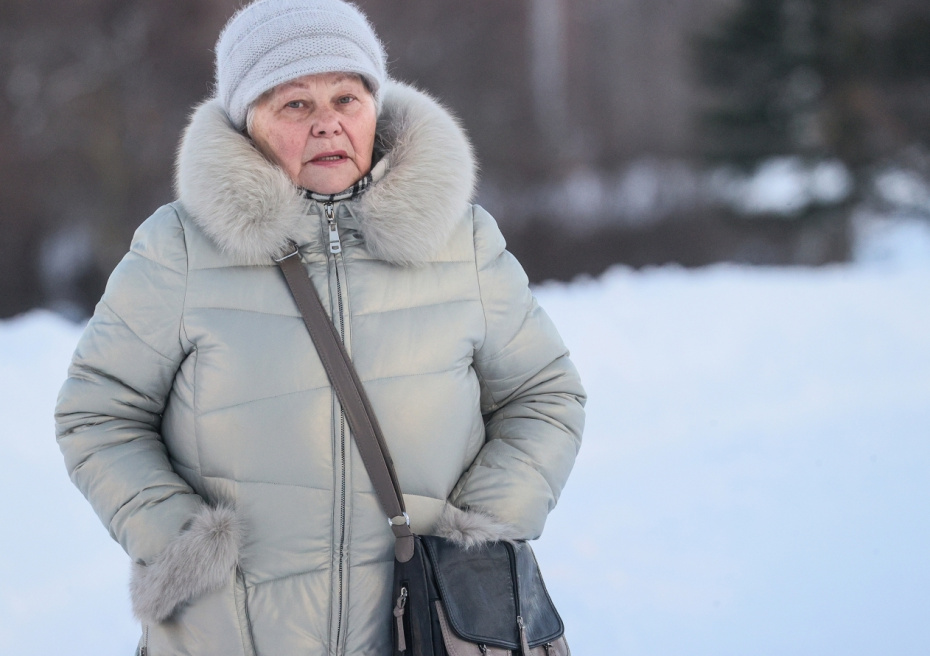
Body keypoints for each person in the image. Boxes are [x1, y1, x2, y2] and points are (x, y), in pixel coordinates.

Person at [54, 0, 586, 654]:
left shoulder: (460, 240)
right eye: (295, 105)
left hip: (424, 627)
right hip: (234, 636)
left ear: (376, 107)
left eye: (346, 97)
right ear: (247, 123)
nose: (328, 124)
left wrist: (477, 528)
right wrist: (180, 545)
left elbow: (545, 394)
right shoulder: (180, 248)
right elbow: (97, 413)